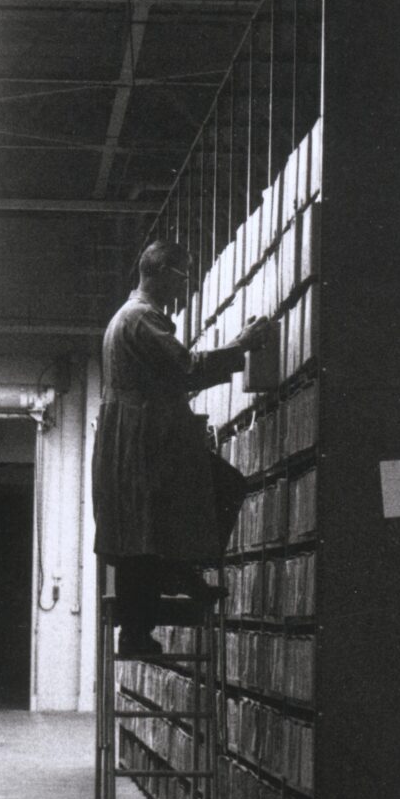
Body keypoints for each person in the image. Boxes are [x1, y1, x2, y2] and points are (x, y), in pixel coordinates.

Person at [92, 238, 266, 660]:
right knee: (214, 491)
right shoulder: (142, 318)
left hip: (138, 439)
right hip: (146, 440)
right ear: (161, 271)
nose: (185, 287)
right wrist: (241, 346)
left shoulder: (127, 318)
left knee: (145, 531)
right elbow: (186, 369)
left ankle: (175, 578)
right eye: (183, 276)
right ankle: (177, 575)